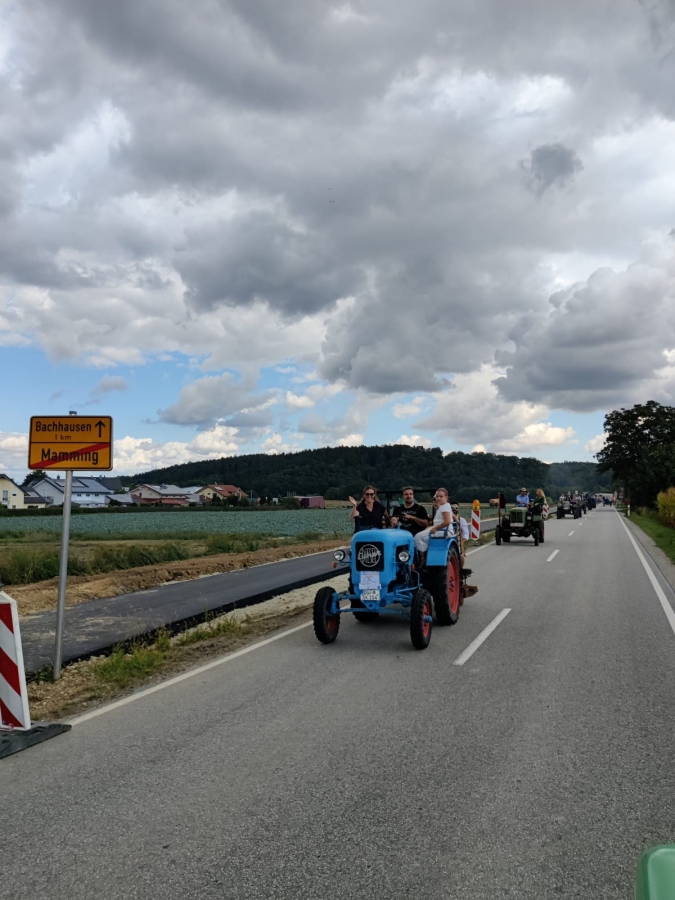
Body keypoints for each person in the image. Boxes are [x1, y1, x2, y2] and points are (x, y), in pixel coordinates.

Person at [414, 488, 453, 557]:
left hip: (443, 531)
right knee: (423, 533)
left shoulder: (444, 507)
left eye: (441, 496)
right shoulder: (444, 505)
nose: (438, 498)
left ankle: (423, 557)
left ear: (446, 497)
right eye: (437, 496)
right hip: (442, 529)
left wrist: (435, 528)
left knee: (417, 537)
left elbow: (447, 521)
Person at [451, 502, 470, 566]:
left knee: (461, 557)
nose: (454, 509)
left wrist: (461, 542)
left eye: (456, 508)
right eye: (452, 508)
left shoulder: (462, 520)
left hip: (458, 541)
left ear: (458, 509)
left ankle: (460, 569)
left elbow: (466, 534)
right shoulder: (446, 519)